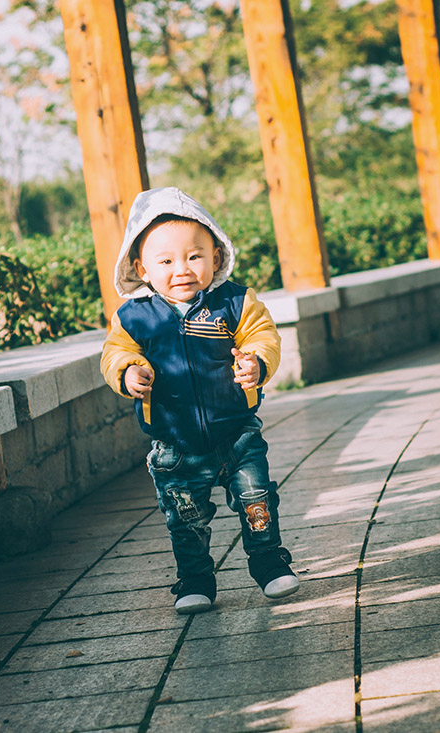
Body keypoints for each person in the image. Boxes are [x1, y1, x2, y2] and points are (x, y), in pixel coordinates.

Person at [101, 187, 299, 614]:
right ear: (142, 267)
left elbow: (262, 335)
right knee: (185, 518)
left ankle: (268, 563)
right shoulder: (134, 316)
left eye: (195, 256)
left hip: (237, 434)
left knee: (257, 498)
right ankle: (195, 581)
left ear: (216, 255)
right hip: (175, 445)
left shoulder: (234, 301)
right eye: (166, 261)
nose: (182, 269)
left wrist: (256, 362)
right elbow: (116, 352)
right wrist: (128, 371)